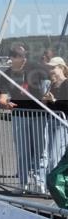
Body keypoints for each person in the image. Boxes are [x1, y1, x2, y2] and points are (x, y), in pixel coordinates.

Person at [0, 44, 49, 190]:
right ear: (11, 57)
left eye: (23, 54)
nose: (21, 57)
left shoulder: (36, 68)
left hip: (39, 114)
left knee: (41, 150)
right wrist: (4, 104)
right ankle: (23, 183)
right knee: (22, 150)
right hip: (19, 115)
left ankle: (40, 183)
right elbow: (2, 97)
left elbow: (48, 86)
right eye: (16, 55)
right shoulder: (6, 74)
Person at [43, 57, 68, 207]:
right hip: (52, 122)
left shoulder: (66, 83)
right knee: (53, 159)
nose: (50, 71)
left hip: (63, 124)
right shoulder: (52, 85)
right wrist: (46, 101)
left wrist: (54, 101)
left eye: (52, 68)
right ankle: (58, 192)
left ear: (61, 68)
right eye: (49, 68)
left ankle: (60, 194)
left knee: (55, 159)